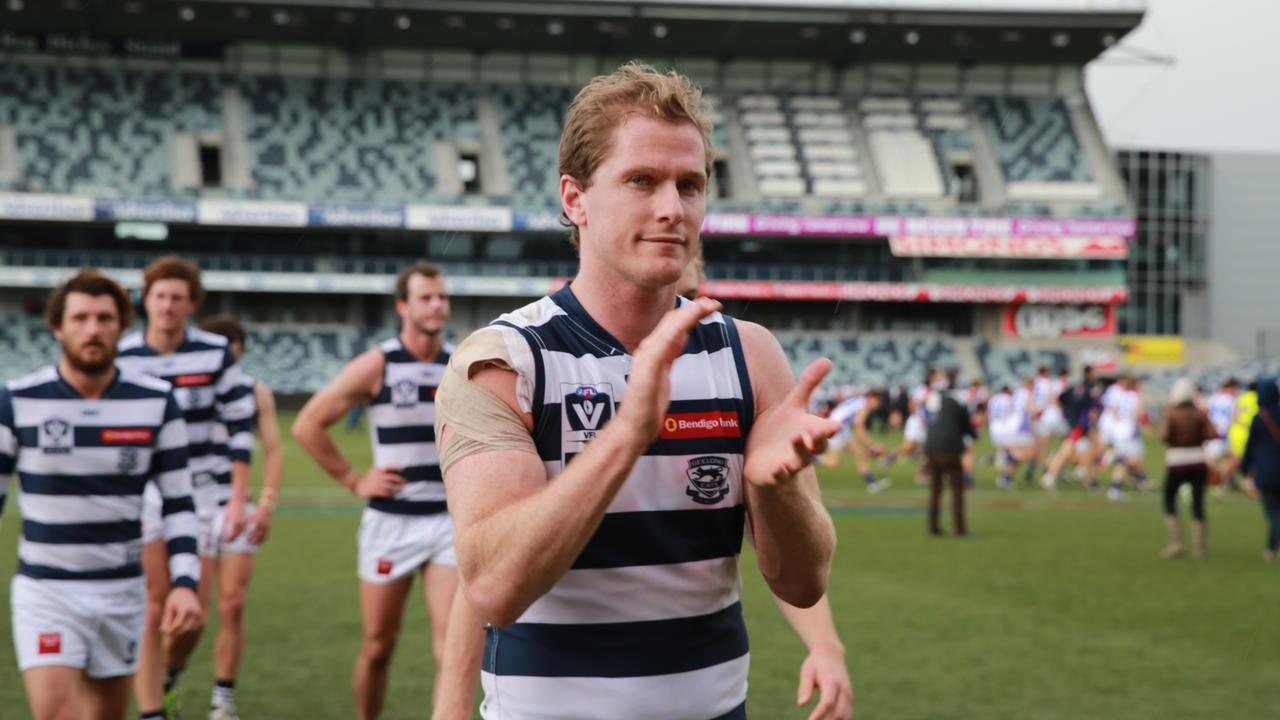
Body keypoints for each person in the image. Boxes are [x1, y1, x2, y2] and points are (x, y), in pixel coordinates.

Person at [433, 63, 838, 719]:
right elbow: (495, 587)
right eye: (642, 181)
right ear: (575, 198)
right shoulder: (505, 360)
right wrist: (626, 434)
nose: (672, 208)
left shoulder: (750, 354)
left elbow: (803, 583)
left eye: (690, 184)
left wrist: (775, 487)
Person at [1, 269, 203, 720]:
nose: (93, 329)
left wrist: (185, 583)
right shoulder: (18, 400)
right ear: (58, 326)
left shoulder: (156, 402)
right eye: (81, 318)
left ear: (121, 325)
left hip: (122, 591)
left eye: (105, 318)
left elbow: (178, 503)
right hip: (47, 590)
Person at [292, 262, 457, 720]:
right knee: (379, 646)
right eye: (426, 297)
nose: (437, 305)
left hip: (449, 523)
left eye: (442, 297)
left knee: (454, 648)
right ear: (403, 306)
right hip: (391, 520)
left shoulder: (461, 362)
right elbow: (308, 424)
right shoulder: (379, 363)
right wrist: (353, 479)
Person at [117, 257, 256, 720]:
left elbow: (240, 427)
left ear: (191, 304)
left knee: (195, 608)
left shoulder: (215, 352)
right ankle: (153, 710)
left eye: (178, 297)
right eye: (160, 296)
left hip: (203, 494)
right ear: (146, 300)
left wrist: (239, 497)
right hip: (146, 495)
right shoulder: (126, 355)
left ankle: (169, 672)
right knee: (155, 605)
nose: (168, 305)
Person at [197, 315, 285, 719]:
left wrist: (265, 503)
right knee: (190, 611)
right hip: (190, 509)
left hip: (239, 507)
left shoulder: (255, 391)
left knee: (231, 604)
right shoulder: (182, 390)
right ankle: (167, 676)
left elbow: (273, 449)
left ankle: (223, 699)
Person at [1157, 379, 1219, 559]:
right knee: (1198, 503)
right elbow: (1213, 433)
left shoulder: (1172, 413)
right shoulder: (1200, 413)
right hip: (1198, 459)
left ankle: (1177, 543)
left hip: (1176, 460)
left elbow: (1163, 436)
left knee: (1169, 500)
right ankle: (1199, 549)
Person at [923, 370, 976, 536]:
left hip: (931, 446)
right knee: (957, 489)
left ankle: (933, 526)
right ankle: (959, 528)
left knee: (935, 488)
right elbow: (965, 424)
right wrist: (974, 434)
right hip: (949, 448)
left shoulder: (932, 397)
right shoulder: (958, 399)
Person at [1241, 377, 1280, 562]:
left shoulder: (1260, 418)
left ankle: (1274, 545)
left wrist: (1245, 470)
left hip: (1266, 471)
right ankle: (1271, 549)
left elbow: (1250, 447)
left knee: (1272, 511)